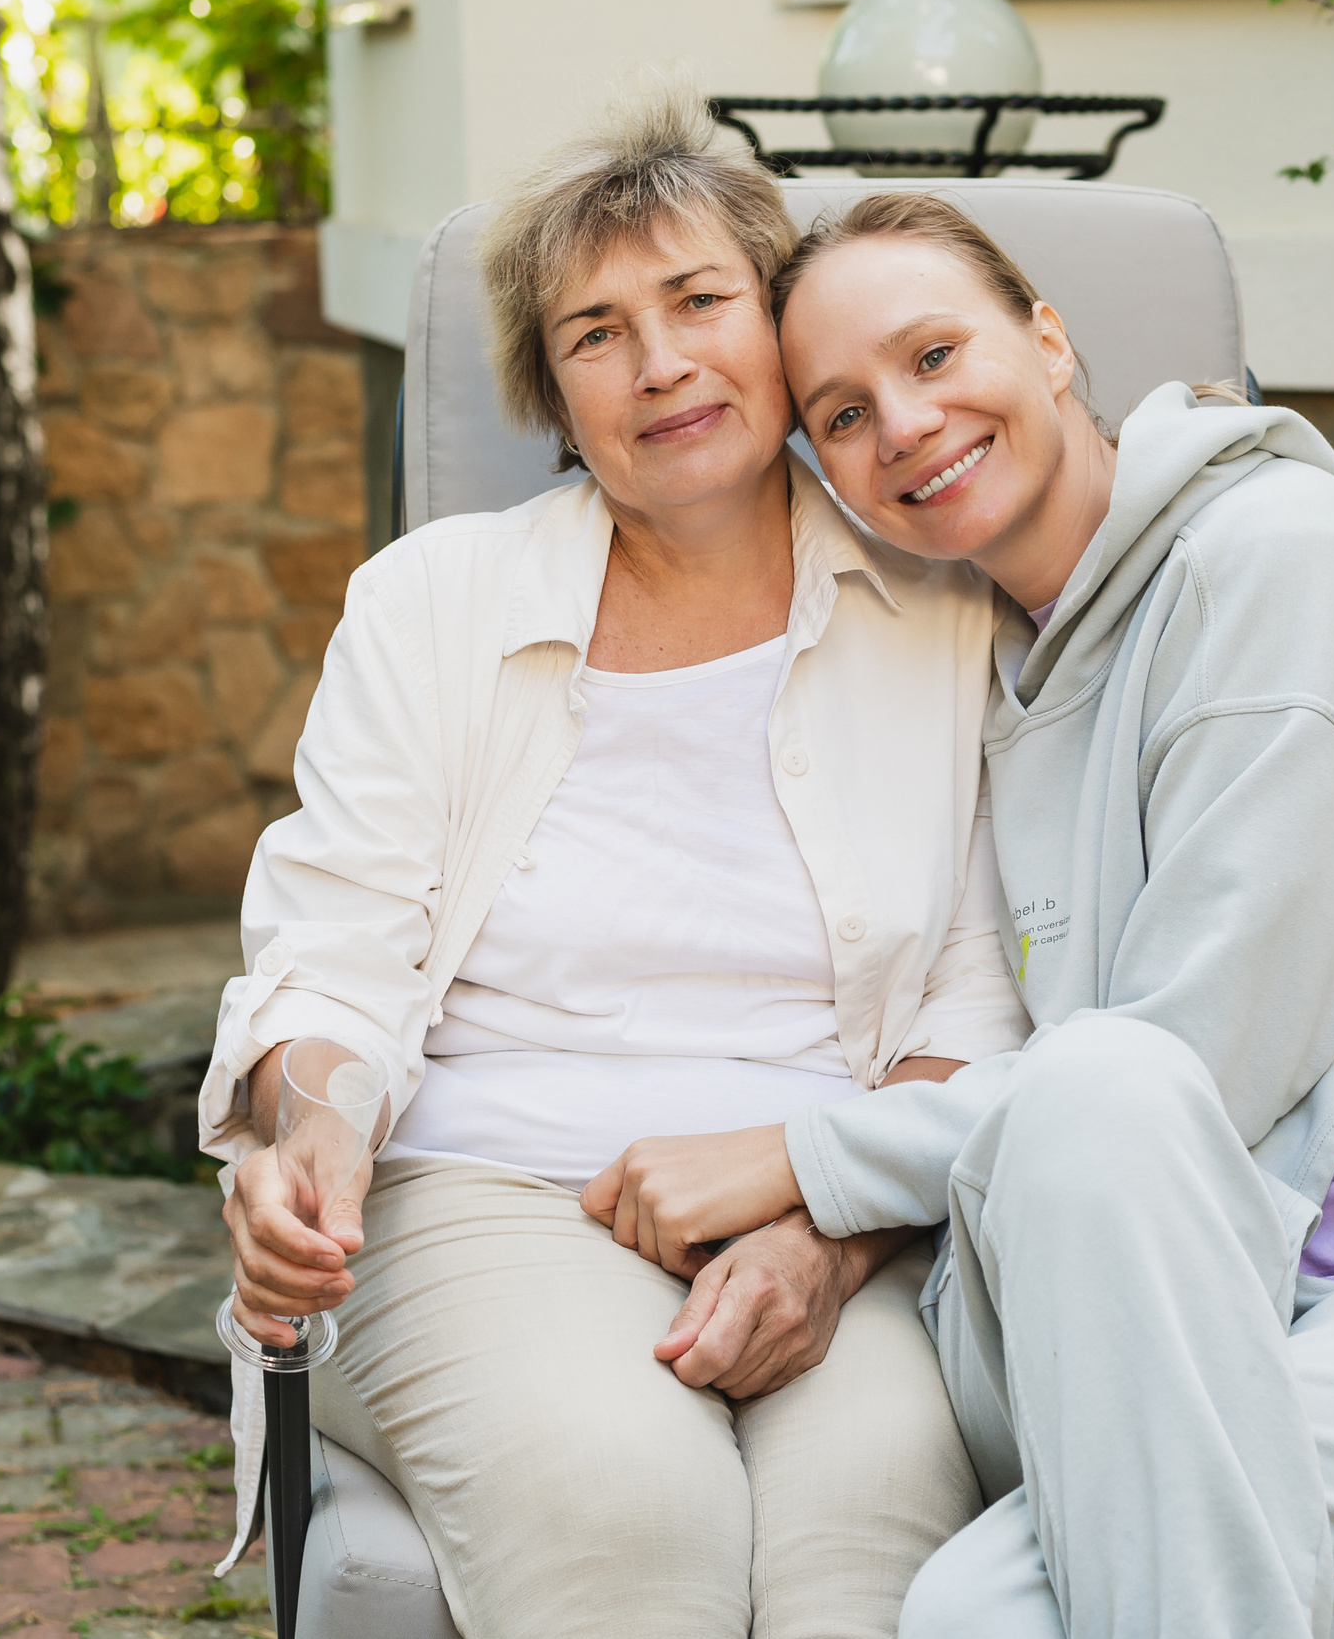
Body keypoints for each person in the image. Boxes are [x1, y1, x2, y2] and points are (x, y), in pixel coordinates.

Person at [584, 191, 1334, 1639]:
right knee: (974, 1606)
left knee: (986, 1612)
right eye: (842, 416)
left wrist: (803, 1160)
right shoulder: (989, 680)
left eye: (933, 355)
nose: (903, 425)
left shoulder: (1283, 564)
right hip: (1200, 1337)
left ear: (1047, 343)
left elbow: (1185, 1071)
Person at [198, 113, 1029, 1639]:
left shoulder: (946, 607)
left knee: (874, 1545)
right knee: (628, 1520)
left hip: (838, 1200)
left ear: (779, 329)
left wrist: (832, 1231)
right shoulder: (433, 605)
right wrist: (313, 1122)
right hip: (487, 1194)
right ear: (552, 394)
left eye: (701, 303)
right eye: (598, 331)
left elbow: (987, 986)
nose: (660, 364)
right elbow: (335, 947)